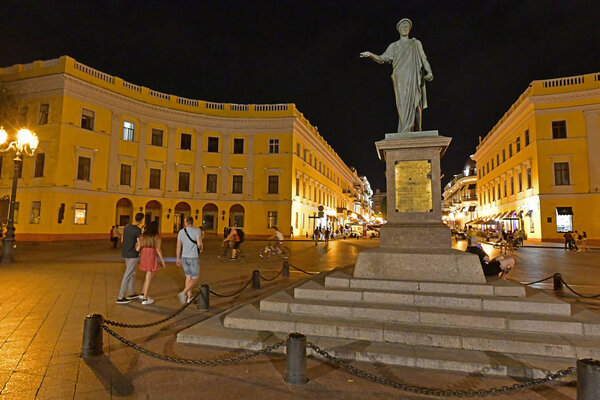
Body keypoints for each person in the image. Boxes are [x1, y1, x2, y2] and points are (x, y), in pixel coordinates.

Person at [360, 18, 433, 133]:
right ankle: (406, 129)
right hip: (400, 78)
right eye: (402, 26)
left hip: (413, 76)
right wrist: (370, 54)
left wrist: (429, 72)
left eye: (406, 26)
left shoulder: (415, 43)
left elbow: (424, 59)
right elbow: (382, 59)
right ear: (398, 29)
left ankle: (417, 128)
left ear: (409, 29)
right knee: (402, 104)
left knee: (416, 102)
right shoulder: (394, 46)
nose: (404, 28)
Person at [116, 213, 144, 304]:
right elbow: (140, 243)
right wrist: (137, 251)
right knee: (127, 274)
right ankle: (120, 297)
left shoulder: (127, 227)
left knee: (132, 272)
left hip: (125, 253)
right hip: (132, 254)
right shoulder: (138, 230)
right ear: (141, 220)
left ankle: (131, 292)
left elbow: (122, 239)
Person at [136, 221, 166, 305]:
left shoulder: (144, 235)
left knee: (150, 274)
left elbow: (138, 246)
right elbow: (158, 249)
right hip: (151, 253)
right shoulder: (156, 236)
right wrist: (163, 261)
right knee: (149, 276)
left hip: (144, 253)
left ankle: (142, 293)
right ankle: (145, 298)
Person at [176, 217, 203, 304]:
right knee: (195, 278)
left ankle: (189, 297)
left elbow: (178, 246)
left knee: (188, 276)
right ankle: (183, 293)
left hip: (184, 257)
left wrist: (178, 258)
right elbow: (199, 244)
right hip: (193, 258)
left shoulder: (181, 232)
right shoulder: (197, 231)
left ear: (186, 223)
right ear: (192, 222)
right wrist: (201, 248)